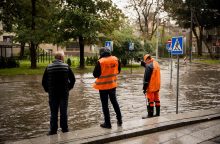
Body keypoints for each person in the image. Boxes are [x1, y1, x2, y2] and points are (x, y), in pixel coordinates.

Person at [42, 51, 75, 135]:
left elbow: (43, 81)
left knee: (53, 112)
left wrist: (48, 90)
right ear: (60, 57)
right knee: (63, 111)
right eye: (63, 57)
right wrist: (69, 88)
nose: (63, 58)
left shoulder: (49, 67)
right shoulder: (66, 66)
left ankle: (53, 130)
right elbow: (73, 79)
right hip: (64, 93)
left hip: (53, 93)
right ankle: (65, 129)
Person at [93, 47, 122, 129]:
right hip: (112, 85)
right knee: (114, 102)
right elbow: (118, 71)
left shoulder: (100, 61)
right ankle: (119, 119)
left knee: (105, 105)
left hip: (103, 87)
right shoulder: (116, 59)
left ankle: (108, 123)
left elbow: (95, 74)